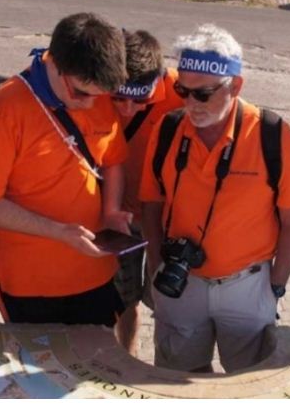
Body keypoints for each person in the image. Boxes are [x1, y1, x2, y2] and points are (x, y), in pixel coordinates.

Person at [139, 24, 290, 373]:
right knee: (175, 382)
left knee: (248, 384)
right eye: (182, 91)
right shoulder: (168, 129)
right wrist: (156, 263)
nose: (191, 104)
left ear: (236, 85)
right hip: (180, 282)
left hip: (247, 286)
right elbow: (151, 204)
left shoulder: (272, 135)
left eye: (204, 94)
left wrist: (274, 286)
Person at [0, 12, 130, 327]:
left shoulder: (98, 96)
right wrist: (59, 232)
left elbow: (113, 161)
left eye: (99, 95)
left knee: (100, 370)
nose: (89, 104)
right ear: (53, 62)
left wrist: (110, 212)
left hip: (95, 273)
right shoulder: (5, 109)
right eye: (81, 93)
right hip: (29, 284)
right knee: (39, 374)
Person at [110, 29, 183, 354]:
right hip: (117, 218)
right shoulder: (98, 84)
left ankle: (164, 368)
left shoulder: (183, 93)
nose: (127, 109)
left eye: (140, 100)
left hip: (166, 221)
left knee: (168, 304)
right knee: (122, 302)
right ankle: (128, 359)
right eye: (119, 98)